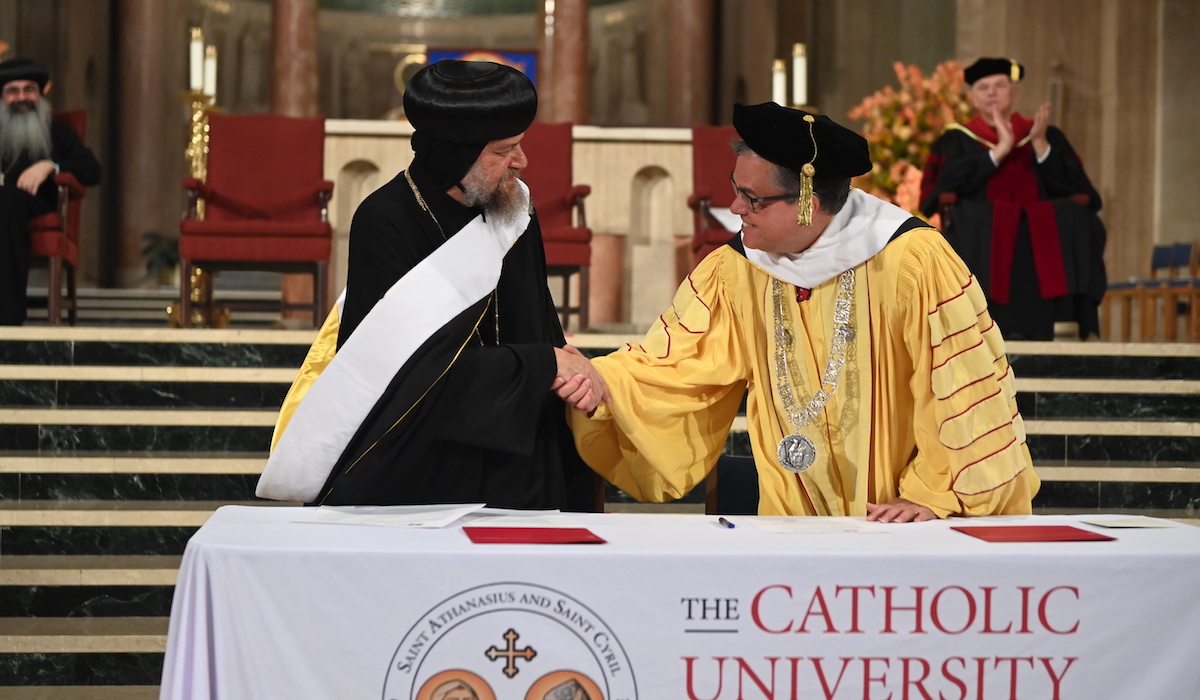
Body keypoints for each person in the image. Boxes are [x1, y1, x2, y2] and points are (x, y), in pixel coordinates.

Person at [564, 103, 1039, 522]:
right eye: (736, 189)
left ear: (809, 203)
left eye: (753, 199)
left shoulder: (912, 261)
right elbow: (674, 366)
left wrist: (933, 496)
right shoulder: (735, 271)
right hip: (787, 525)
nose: (734, 208)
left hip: (897, 527)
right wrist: (600, 381)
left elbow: (961, 386)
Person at [258, 60, 607, 509]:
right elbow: (404, 373)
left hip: (523, 461)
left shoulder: (513, 208)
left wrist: (570, 372)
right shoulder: (385, 221)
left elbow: (540, 324)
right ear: (454, 154)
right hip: (429, 471)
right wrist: (544, 364)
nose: (522, 161)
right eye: (504, 150)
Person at [919, 57, 1105, 341]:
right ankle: (978, 322)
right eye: (983, 88)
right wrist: (998, 152)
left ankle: (1062, 320)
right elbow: (938, 191)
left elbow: (1078, 189)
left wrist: (1041, 145)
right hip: (982, 235)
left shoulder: (1042, 133)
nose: (992, 92)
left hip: (1039, 233)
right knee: (980, 220)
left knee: (1073, 217)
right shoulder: (957, 139)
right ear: (973, 97)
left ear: (1014, 93)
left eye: (999, 86)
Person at [0, 57, 100, 325]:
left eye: (29, 89)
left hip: (37, 204)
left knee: (7, 200)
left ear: (41, 93)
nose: (22, 97)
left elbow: (92, 170)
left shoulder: (60, 133)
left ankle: (6, 320)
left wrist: (50, 165)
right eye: (13, 91)